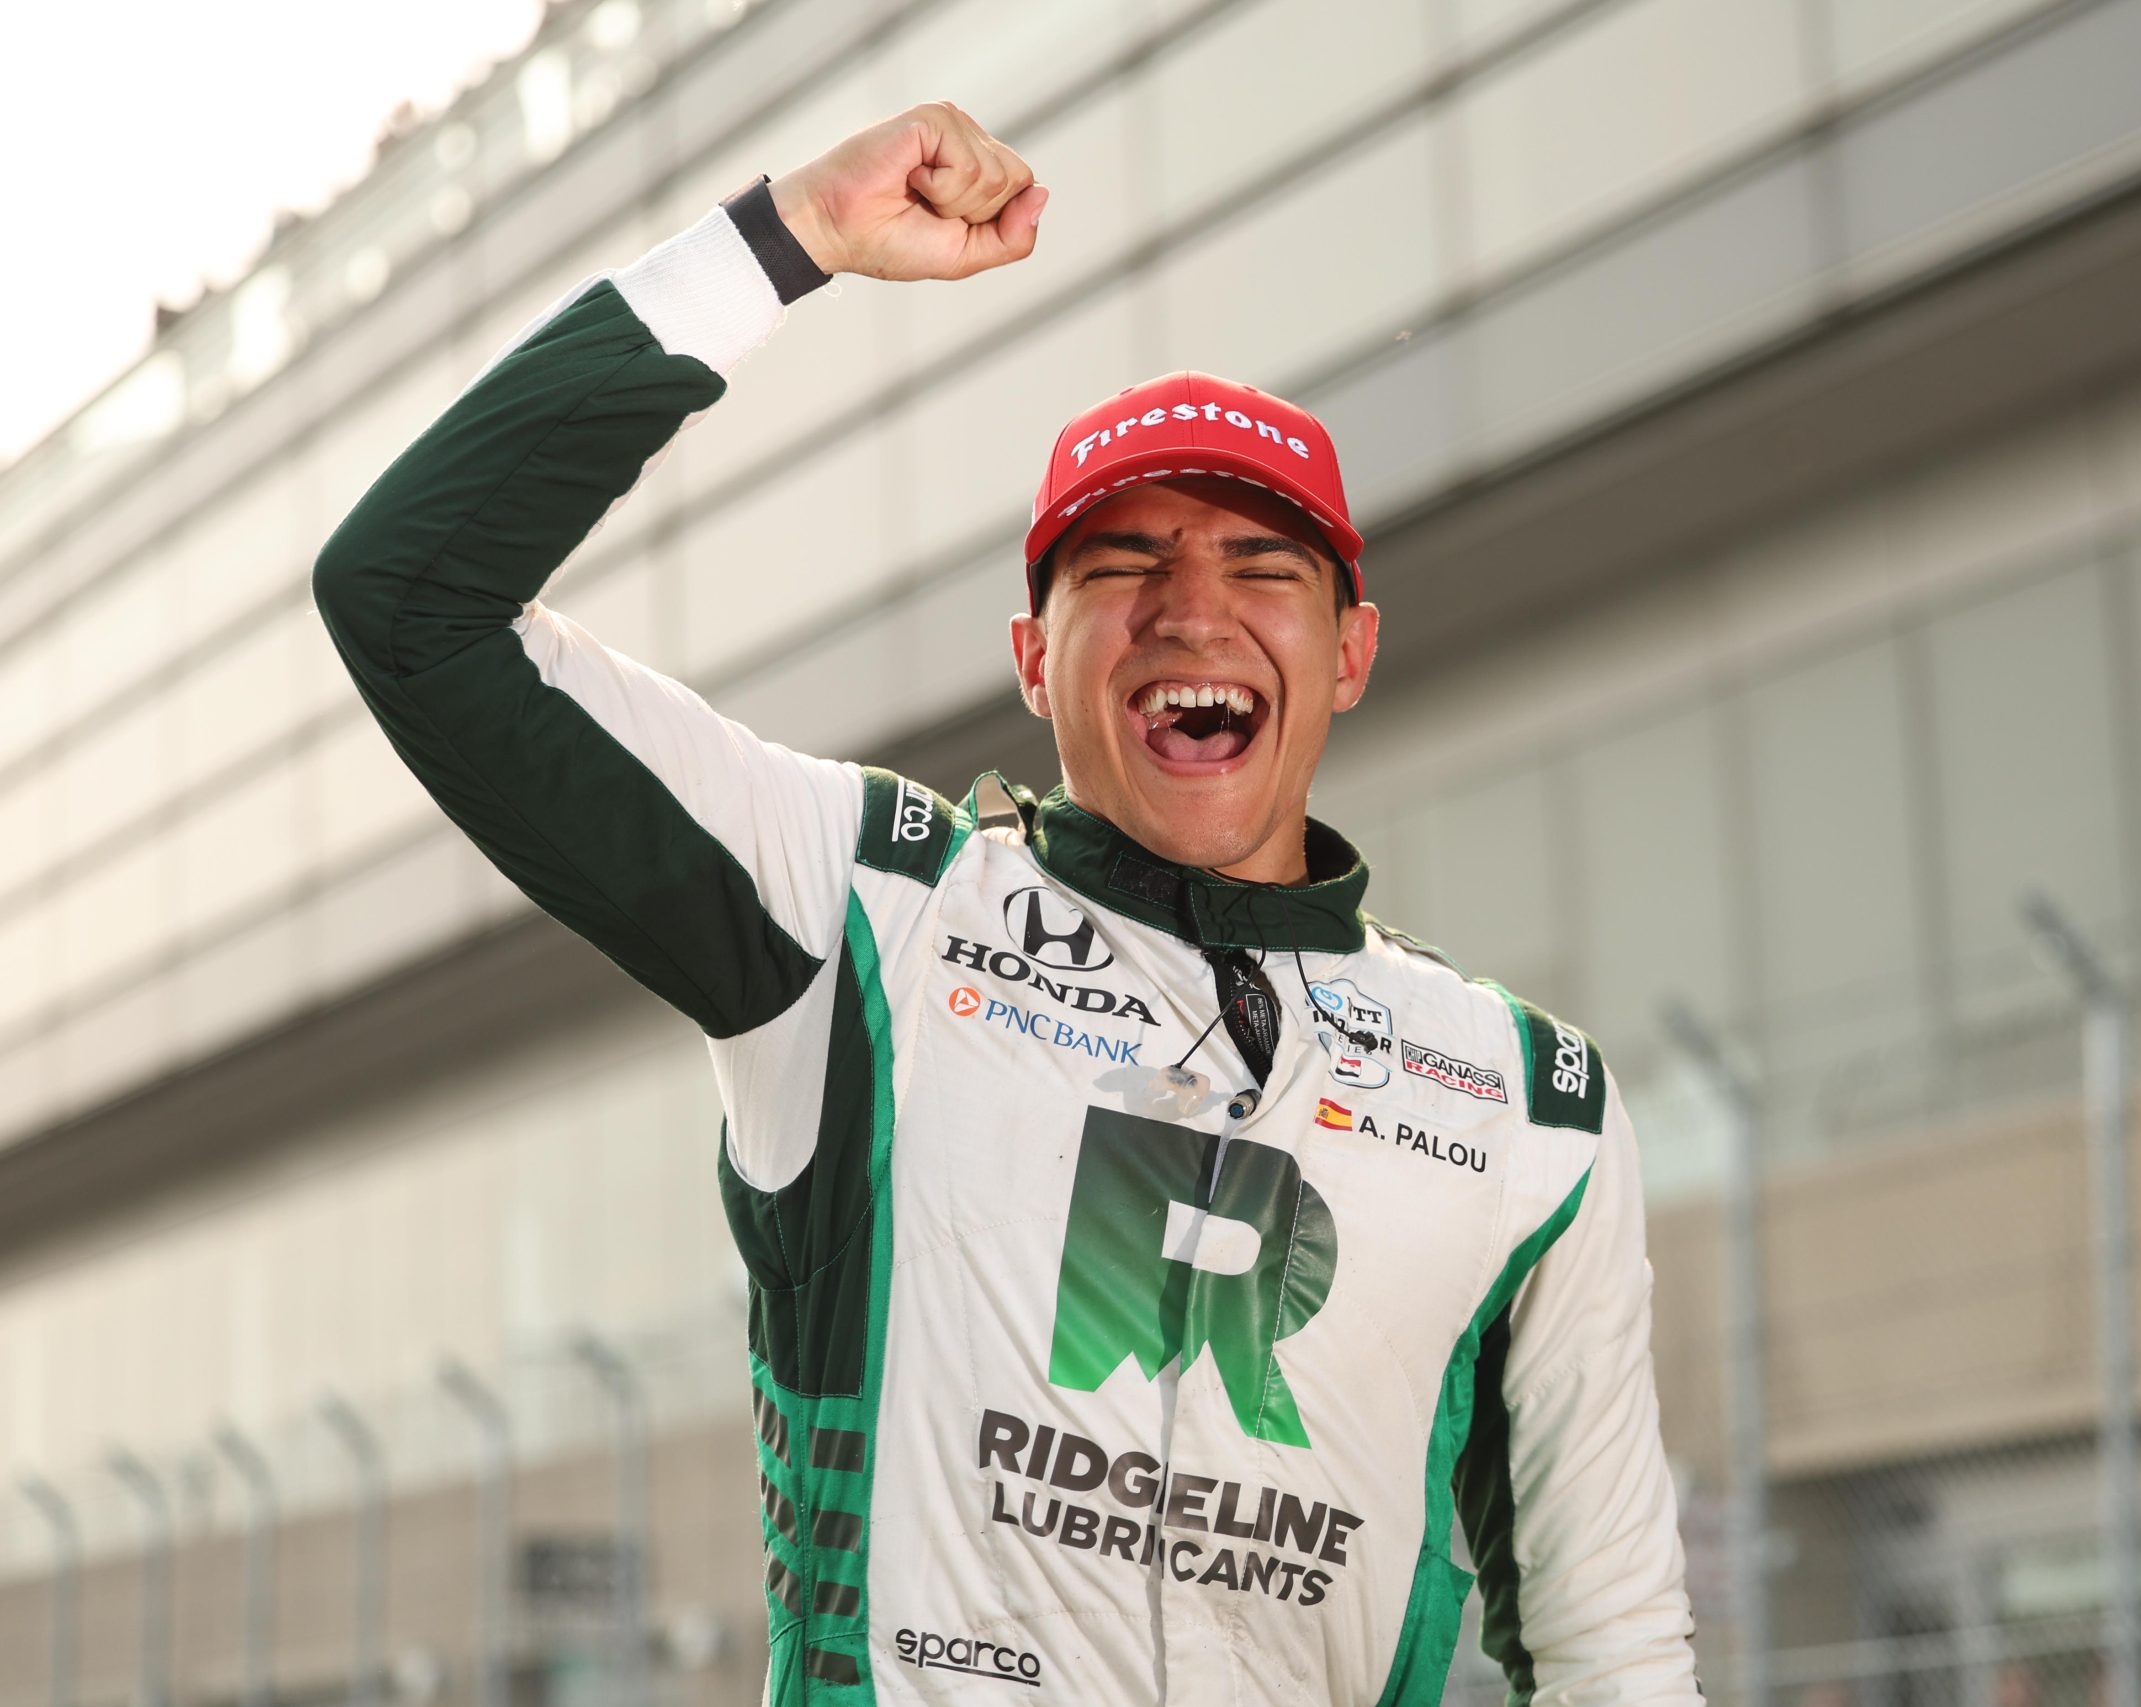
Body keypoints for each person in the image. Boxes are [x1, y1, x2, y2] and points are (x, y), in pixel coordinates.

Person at [312, 101, 1697, 1704]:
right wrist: (788, 239)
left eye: (1263, 568)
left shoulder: (1537, 1109)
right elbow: (411, 598)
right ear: (1034, 658)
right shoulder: (867, 913)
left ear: (1353, 654)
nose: (1193, 608)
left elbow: (1618, 1655)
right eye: (1120, 566)